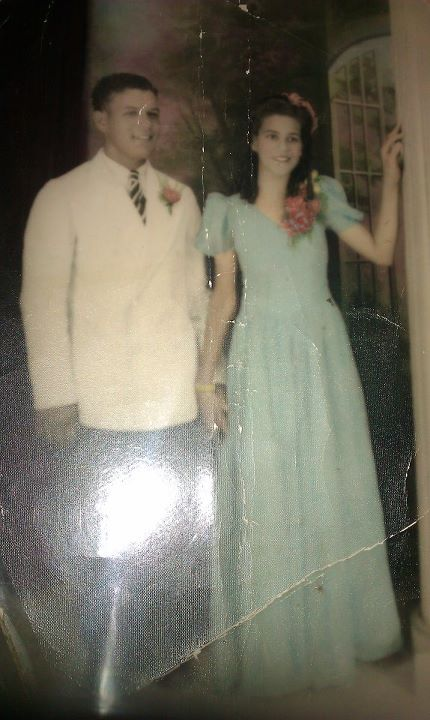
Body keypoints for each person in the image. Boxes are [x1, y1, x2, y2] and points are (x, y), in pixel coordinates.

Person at [195, 93, 403, 695]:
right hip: (261, 354)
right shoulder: (227, 211)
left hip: (321, 352)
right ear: (254, 141)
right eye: (273, 136)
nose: (284, 147)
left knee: (329, 480)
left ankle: (337, 634)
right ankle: (278, 646)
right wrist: (207, 378)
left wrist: (390, 176)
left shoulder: (317, 198)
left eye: (293, 138)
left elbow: (381, 250)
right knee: (271, 487)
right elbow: (224, 297)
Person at [18, 73, 212, 707]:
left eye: (152, 114)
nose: (145, 125)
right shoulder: (62, 196)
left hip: (170, 392)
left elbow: (197, 297)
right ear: (100, 119)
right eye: (131, 113)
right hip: (101, 398)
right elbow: (43, 301)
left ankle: (169, 652)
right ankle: (111, 659)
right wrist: (55, 393)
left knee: (172, 533)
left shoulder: (182, 198)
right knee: (106, 537)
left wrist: (208, 378)